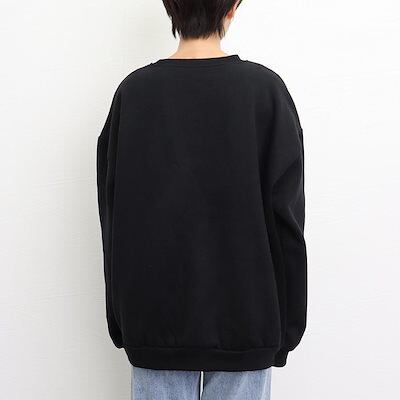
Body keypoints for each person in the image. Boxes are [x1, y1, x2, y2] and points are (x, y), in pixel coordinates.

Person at [96, 1, 307, 398]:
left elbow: (114, 217)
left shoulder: (133, 94)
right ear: (232, 9)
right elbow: (287, 221)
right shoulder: (265, 92)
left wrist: (123, 321)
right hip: (248, 320)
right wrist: (287, 328)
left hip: (154, 322)